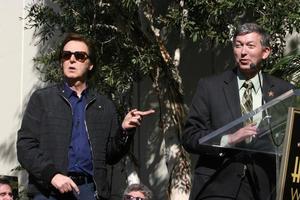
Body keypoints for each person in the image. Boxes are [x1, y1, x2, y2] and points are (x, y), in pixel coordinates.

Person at [17, 33, 155, 200]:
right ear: (61, 61)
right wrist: (52, 175)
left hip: (89, 191)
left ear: (90, 65)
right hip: (49, 191)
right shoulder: (42, 99)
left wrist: (125, 131)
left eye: (80, 56)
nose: (72, 60)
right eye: (66, 55)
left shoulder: (104, 106)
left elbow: (111, 156)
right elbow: (25, 147)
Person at [182, 23, 294, 200]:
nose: (243, 52)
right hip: (217, 186)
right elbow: (190, 137)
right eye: (238, 45)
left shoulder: (284, 91)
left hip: (264, 190)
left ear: (266, 52)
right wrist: (228, 139)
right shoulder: (210, 87)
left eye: (250, 46)